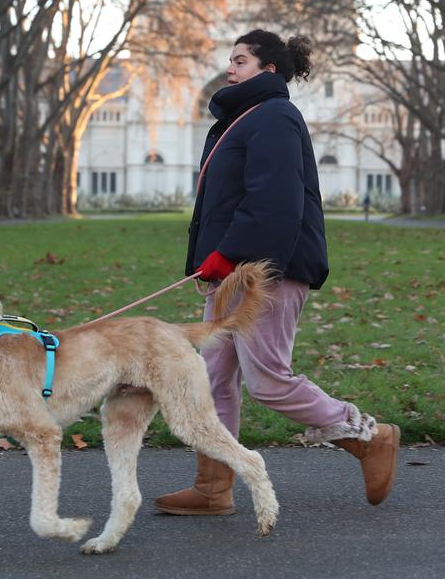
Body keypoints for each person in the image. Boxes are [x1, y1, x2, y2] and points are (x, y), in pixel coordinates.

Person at [155, 30, 400, 516]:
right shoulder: (243, 120)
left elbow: (275, 203)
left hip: (266, 270)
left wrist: (234, 256)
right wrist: (213, 262)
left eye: (240, 60)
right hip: (232, 270)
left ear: (268, 70)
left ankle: (369, 436)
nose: (230, 68)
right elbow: (225, 204)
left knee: (266, 379)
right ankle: (212, 486)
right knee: (211, 377)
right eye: (229, 59)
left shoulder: (275, 118)